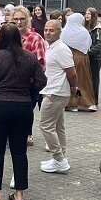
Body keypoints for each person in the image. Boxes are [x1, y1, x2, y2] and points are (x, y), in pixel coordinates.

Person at [0, 24, 47, 200]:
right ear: (19, 38)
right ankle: (19, 195)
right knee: (19, 151)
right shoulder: (29, 57)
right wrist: (27, 88)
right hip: (23, 107)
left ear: (0, 38)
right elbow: (41, 81)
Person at [38, 20, 78, 175]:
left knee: (46, 125)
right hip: (52, 90)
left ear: (59, 32)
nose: (47, 32)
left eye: (51, 30)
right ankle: (60, 158)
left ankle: (59, 159)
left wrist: (74, 88)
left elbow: (72, 72)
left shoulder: (61, 49)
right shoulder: (51, 47)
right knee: (58, 126)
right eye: (46, 30)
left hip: (56, 92)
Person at [62, 13, 96, 112]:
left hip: (70, 59)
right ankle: (88, 102)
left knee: (72, 82)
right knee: (84, 82)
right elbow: (88, 44)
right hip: (82, 59)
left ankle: (73, 103)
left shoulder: (65, 32)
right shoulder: (83, 31)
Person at [84, 8, 101, 106]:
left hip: (94, 58)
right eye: (86, 13)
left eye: (89, 14)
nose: (87, 15)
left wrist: (89, 52)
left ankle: (94, 99)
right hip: (86, 57)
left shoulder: (98, 29)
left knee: (94, 78)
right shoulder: (85, 27)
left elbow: (99, 44)